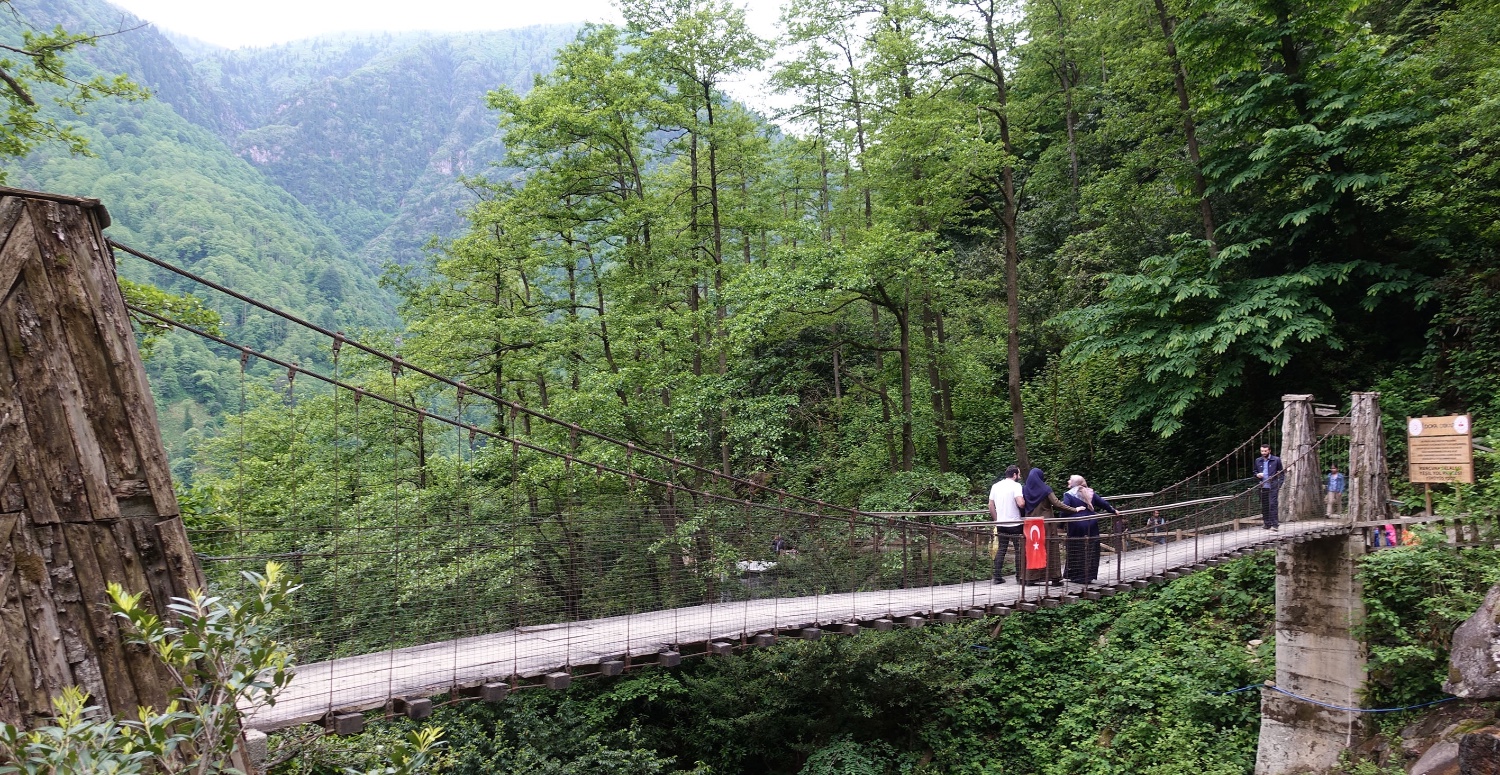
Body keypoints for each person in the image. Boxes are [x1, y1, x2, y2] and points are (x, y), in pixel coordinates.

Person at [1020, 468, 1085, 586]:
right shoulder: (1046, 489)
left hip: (1031, 524)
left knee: (1033, 549)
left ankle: (1030, 578)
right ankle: (1054, 577)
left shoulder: (1025, 490)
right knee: (1051, 549)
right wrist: (1074, 509)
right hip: (1046, 524)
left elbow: (1021, 505)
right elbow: (1057, 504)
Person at [1062, 476, 1118, 585]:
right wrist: (1113, 510)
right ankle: (1088, 575)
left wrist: (1061, 524)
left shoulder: (1068, 494)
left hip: (1076, 525)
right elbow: (1103, 503)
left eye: (1070, 479)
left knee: (1076, 549)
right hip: (1091, 524)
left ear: (1074, 483)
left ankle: (1076, 575)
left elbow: (1064, 510)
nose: (1068, 481)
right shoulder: (1090, 492)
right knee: (1091, 549)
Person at [988, 465, 1026, 583]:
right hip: (1015, 523)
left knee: (1001, 549)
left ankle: (997, 576)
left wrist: (996, 519)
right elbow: (1020, 503)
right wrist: (1025, 503)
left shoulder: (996, 486)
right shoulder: (1016, 486)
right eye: (1018, 474)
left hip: (1001, 523)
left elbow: (990, 505)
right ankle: (1019, 577)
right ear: (1014, 475)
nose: (1019, 476)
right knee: (1018, 549)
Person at [1254, 444, 1283, 530]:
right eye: (1262, 451)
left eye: (1265, 451)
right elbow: (1254, 472)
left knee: (1272, 504)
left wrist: (1279, 484)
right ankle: (1267, 524)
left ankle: (1275, 525)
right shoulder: (1258, 460)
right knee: (1265, 505)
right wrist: (1257, 475)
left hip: (1273, 486)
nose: (1263, 453)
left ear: (1269, 451)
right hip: (1262, 486)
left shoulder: (1276, 460)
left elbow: (1281, 473)